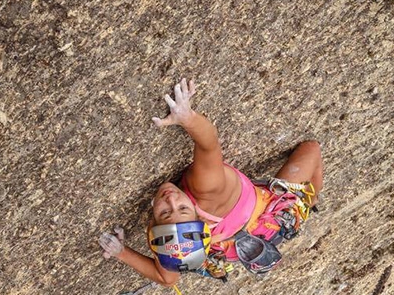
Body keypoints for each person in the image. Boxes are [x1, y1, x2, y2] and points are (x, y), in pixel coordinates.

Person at [99, 79, 323, 284]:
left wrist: (121, 252)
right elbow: (209, 144)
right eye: (181, 209)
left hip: (228, 245)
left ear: (154, 224)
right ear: (197, 217)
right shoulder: (203, 190)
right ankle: (311, 203)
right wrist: (187, 117)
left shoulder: (169, 238)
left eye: (166, 212)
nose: (171, 200)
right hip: (268, 218)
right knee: (311, 149)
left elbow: (168, 279)